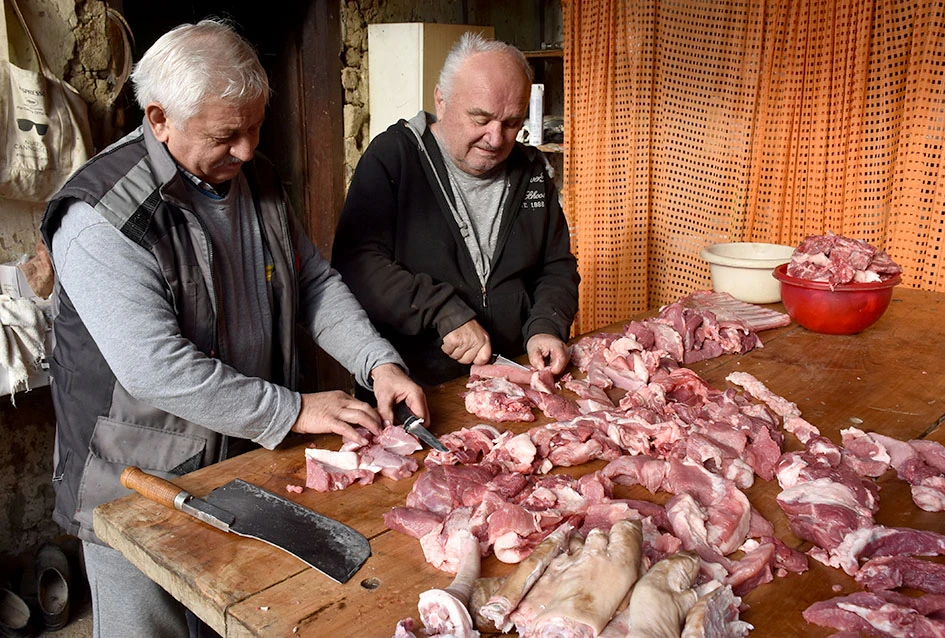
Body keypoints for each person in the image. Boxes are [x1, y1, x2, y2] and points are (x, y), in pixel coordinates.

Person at [40, 19, 427, 638]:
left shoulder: (258, 179)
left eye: (255, 129)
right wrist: (296, 409)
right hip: (145, 484)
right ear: (160, 119)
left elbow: (313, 284)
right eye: (227, 135)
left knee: (245, 618)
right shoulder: (102, 217)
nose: (247, 151)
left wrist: (376, 362)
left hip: (246, 460)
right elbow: (156, 368)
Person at [332, 32, 580, 387]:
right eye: (481, 119)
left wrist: (546, 326)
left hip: (513, 376)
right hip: (415, 384)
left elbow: (555, 265)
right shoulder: (395, 158)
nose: (496, 139)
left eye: (512, 123)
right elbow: (357, 263)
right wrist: (442, 311)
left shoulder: (532, 171)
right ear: (442, 100)